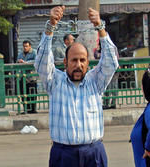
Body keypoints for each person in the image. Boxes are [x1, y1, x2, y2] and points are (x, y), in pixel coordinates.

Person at [34, 6, 119, 167]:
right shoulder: (55, 81)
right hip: (63, 154)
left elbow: (111, 62)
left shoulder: (96, 81)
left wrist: (100, 27)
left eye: (82, 60)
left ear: (88, 63)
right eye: (74, 60)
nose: (78, 65)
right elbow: (42, 62)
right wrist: (51, 26)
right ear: (65, 62)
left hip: (94, 153)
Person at [17, 40, 37, 114]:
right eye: (24, 46)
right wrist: (19, 62)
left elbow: (36, 61)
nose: (25, 48)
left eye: (26, 46)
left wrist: (26, 63)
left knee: (32, 93)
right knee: (24, 94)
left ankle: (33, 109)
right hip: (23, 76)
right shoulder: (21, 54)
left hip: (32, 77)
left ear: (30, 46)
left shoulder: (34, 52)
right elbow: (17, 61)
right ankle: (26, 109)